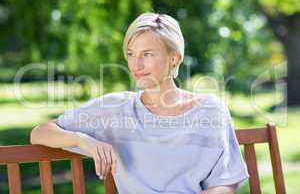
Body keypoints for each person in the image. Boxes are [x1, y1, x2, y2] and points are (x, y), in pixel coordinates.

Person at [30, 12, 249, 194]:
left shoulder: (210, 110)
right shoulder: (115, 108)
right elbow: (40, 133)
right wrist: (83, 140)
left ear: (174, 58)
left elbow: (225, 181)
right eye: (131, 54)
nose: (136, 64)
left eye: (147, 54)